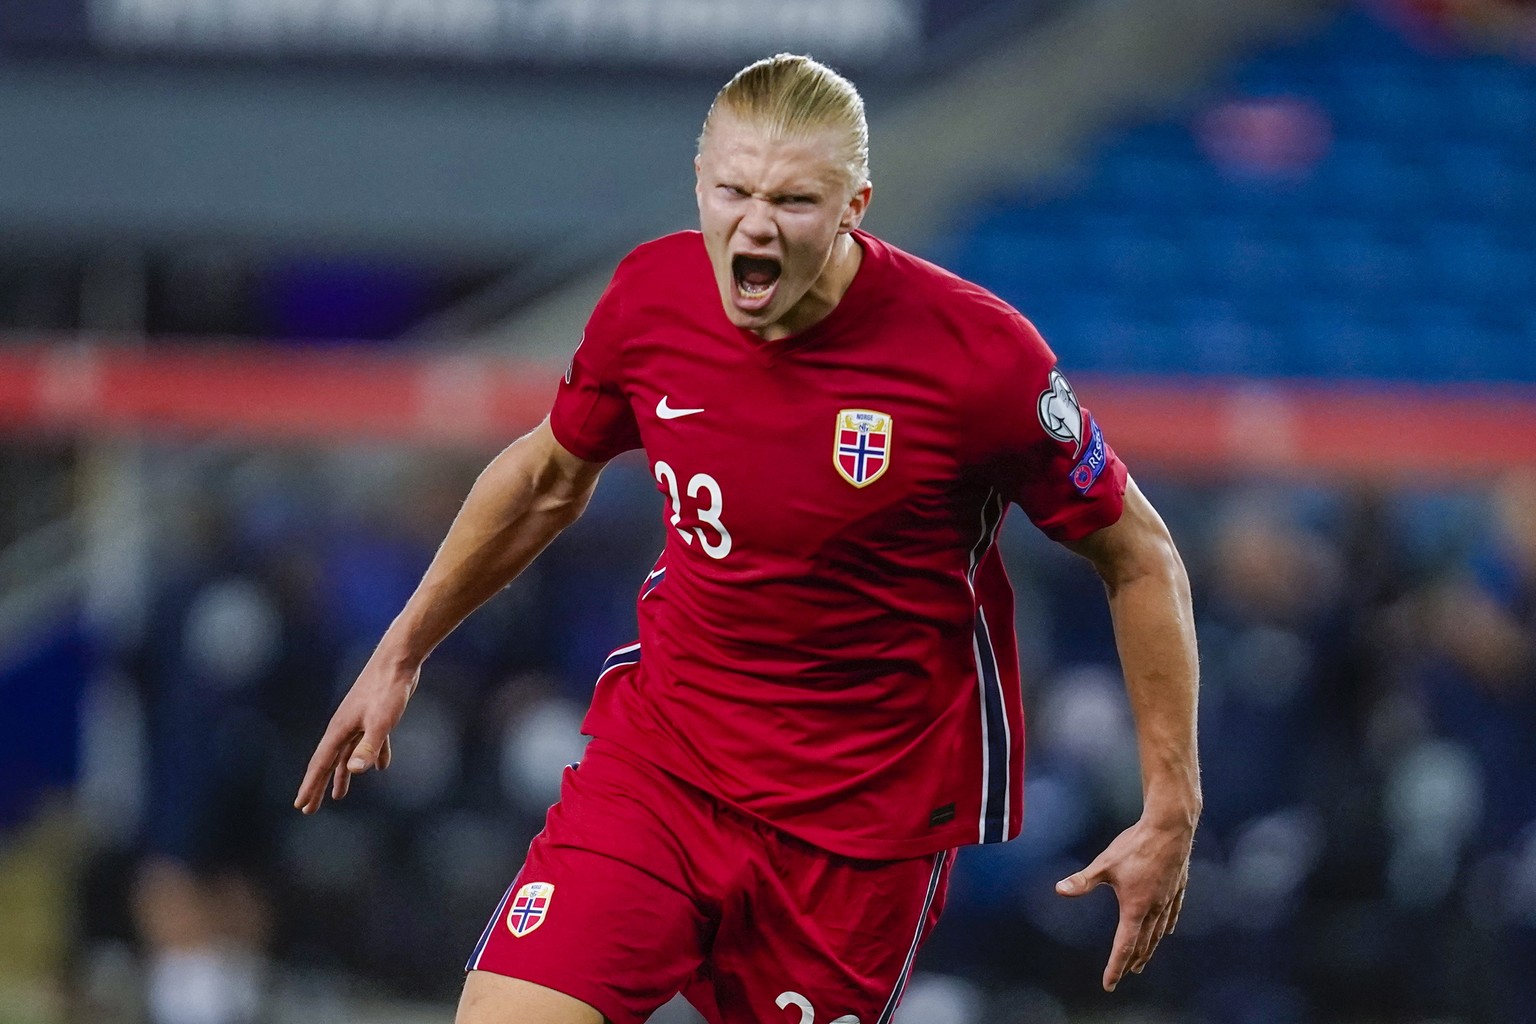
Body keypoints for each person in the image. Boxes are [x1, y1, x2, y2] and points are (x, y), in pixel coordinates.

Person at [295, 53, 1201, 1024]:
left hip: (858, 834)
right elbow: (546, 478)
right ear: (699, 182)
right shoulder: (652, 299)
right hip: (664, 770)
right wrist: (402, 650)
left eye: (793, 200)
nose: (754, 223)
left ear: (857, 203)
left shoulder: (976, 358)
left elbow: (1138, 553)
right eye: (732, 190)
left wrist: (1171, 805)